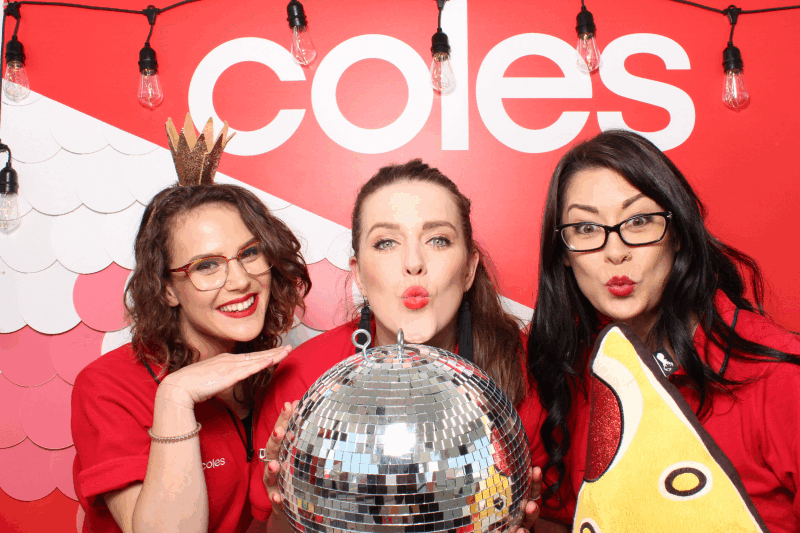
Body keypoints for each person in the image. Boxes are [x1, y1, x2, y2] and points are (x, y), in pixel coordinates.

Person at [527, 129, 800, 530]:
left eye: (638, 221)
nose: (615, 251)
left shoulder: (777, 376)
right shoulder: (572, 376)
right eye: (586, 229)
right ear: (563, 254)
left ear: (677, 233)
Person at [250, 159, 544, 531]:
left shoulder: (522, 368)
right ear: (358, 273)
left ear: (469, 269)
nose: (413, 263)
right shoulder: (306, 376)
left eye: (438, 239)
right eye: (386, 242)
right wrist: (285, 509)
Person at [71, 183, 311, 533]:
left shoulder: (282, 376)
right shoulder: (107, 387)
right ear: (167, 289)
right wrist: (176, 396)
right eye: (207, 266)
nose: (241, 280)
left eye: (250, 253)